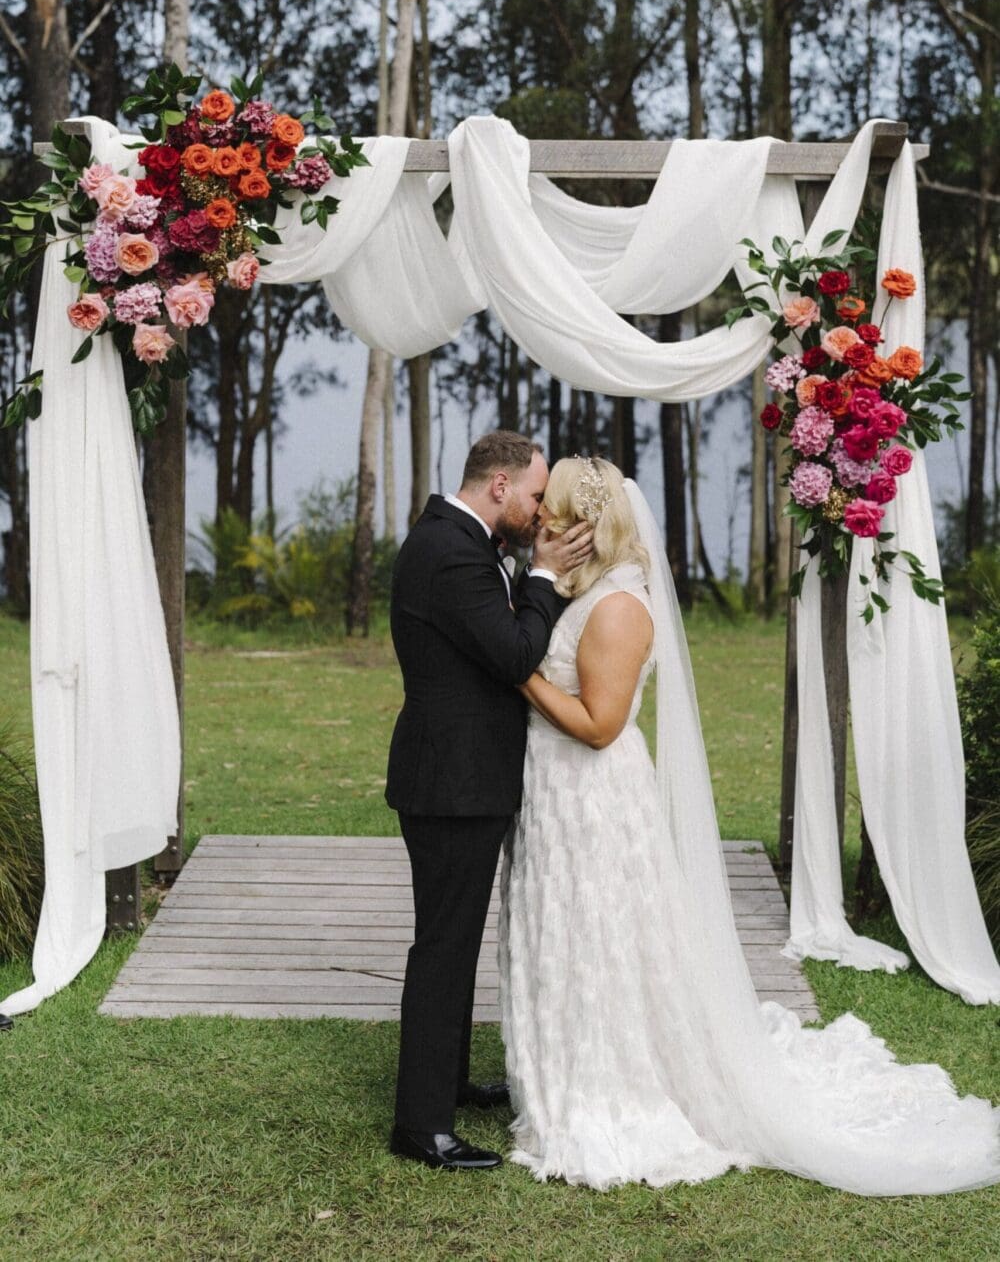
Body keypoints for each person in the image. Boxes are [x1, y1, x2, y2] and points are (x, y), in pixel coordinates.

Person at [501, 456, 1000, 1195]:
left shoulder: (618, 607)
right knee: (568, 933)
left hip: (592, 797)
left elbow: (601, 724)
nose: (540, 517)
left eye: (554, 508)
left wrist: (515, 670)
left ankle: (613, 1083)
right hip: (557, 796)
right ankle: (565, 1065)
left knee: (599, 936)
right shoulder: (585, 592)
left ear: (585, 523)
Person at [386, 430, 593, 1171]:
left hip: (459, 777)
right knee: (443, 949)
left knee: (455, 944)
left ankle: (439, 1086)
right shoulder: (451, 552)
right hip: (451, 784)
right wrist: (541, 577)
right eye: (535, 496)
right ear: (499, 485)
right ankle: (421, 1128)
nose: (539, 513)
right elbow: (512, 653)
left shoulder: (456, 542)